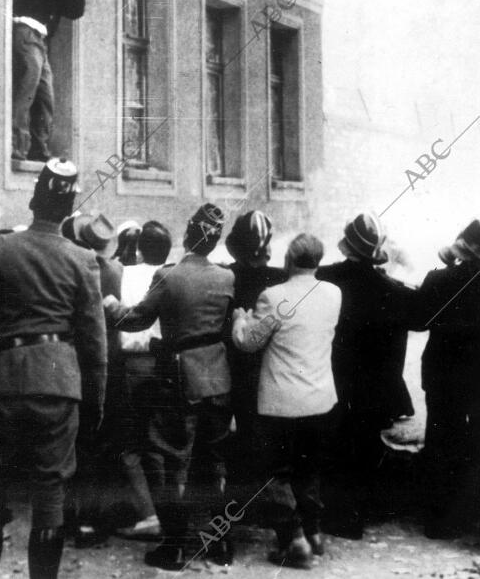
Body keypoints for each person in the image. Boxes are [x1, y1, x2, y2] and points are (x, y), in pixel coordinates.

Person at [0, 158, 107, 579]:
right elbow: (94, 342)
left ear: (34, 200)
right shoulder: (82, 258)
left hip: (0, 381)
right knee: (49, 494)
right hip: (59, 382)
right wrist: (95, 401)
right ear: (70, 210)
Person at [103, 204, 234, 570]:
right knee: (214, 461)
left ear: (189, 235)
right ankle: (220, 543)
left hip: (180, 379)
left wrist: (110, 304)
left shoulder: (169, 276)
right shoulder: (225, 278)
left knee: (163, 458)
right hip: (218, 376)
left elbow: (135, 320)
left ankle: (174, 546)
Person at [232, 233, 341, 569]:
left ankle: (294, 540)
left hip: (281, 400)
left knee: (275, 473)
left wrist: (240, 319)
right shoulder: (333, 293)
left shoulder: (274, 296)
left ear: (289, 259)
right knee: (308, 469)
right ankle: (315, 532)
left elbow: (248, 343)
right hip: (319, 397)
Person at [315, 211, 416, 538]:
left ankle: (334, 514)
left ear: (346, 246)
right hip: (375, 388)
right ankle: (356, 515)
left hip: (332, 380)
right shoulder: (394, 290)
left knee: (333, 444)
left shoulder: (325, 277)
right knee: (365, 446)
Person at [412, 218, 480, 555]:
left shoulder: (439, 279)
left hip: (441, 373)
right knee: (478, 442)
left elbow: (418, 320)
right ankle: (475, 517)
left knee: (440, 438)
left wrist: (445, 270)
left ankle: (439, 523)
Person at [61, 210, 123, 546]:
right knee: (103, 443)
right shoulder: (114, 269)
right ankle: (97, 518)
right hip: (109, 361)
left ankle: (75, 519)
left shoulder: (73, 268)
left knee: (77, 442)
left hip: (77, 360)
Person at [116, 220, 172, 538]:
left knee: (131, 443)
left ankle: (149, 513)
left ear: (138, 248)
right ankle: (167, 512)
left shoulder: (128, 274)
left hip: (134, 363)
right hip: (165, 363)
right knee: (159, 440)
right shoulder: (172, 275)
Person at [225, 210, 285, 483]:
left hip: (235, 365)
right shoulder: (281, 278)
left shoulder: (225, 275)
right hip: (271, 364)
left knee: (243, 428)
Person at [12, 0, 85, 161]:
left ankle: (38, 147)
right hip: (25, 32)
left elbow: (75, 9)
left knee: (45, 97)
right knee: (26, 90)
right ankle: (17, 145)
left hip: (39, 41)